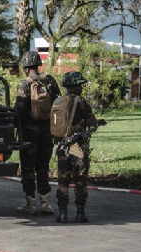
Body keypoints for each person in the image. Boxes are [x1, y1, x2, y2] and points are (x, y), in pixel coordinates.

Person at [53, 71, 106, 223]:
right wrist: (98, 122)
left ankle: (62, 214)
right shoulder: (81, 102)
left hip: (62, 147)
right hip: (78, 147)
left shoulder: (58, 101)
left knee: (63, 180)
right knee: (80, 180)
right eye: (80, 85)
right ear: (74, 86)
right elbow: (90, 121)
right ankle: (80, 213)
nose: (81, 88)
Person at [14, 51, 61, 215]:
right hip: (47, 132)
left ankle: (30, 204)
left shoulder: (24, 84)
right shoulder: (49, 81)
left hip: (29, 134)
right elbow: (59, 102)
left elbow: (19, 109)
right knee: (43, 167)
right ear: (38, 64)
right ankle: (45, 203)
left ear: (25, 67)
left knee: (28, 168)